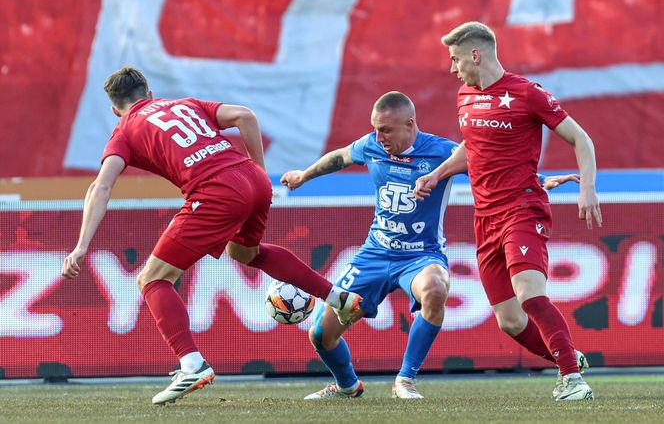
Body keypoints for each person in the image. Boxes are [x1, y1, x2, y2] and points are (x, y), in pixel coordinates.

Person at [60, 67, 362, 405]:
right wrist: (260, 172)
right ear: (148, 93)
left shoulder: (124, 129)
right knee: (246, 253)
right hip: (252, 179)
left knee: (152, 279)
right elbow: (244, 116)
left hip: (215, 191)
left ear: (115, 109)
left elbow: (102, 185)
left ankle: (191, 364)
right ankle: (338, 297)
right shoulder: (185, 104)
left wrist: (81, 246)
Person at [280, 91, 577, 400]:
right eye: (376, 128)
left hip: (421, 256)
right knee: (320, 334)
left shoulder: (442, 153)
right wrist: (304, 175)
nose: (378, 136)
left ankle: (405, 380)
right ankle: (347, 385)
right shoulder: (371, 145)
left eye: (386, 130)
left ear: (410, 124)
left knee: (435, 289)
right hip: (375, 253)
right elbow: (339, 157)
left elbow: (490, 168)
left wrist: (541, 180)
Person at [415, 22, 601, 401]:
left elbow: (580, 138)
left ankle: (573, 380)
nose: (453, 69)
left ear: (475, 55)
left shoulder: (527, 93)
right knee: (510, 321)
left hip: (522, 208)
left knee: (530, 294)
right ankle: (567, 356)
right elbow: (471, 146)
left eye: (455, 60)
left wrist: (588, 188)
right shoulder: (465, 96)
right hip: (484, 218)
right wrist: (436, 174)